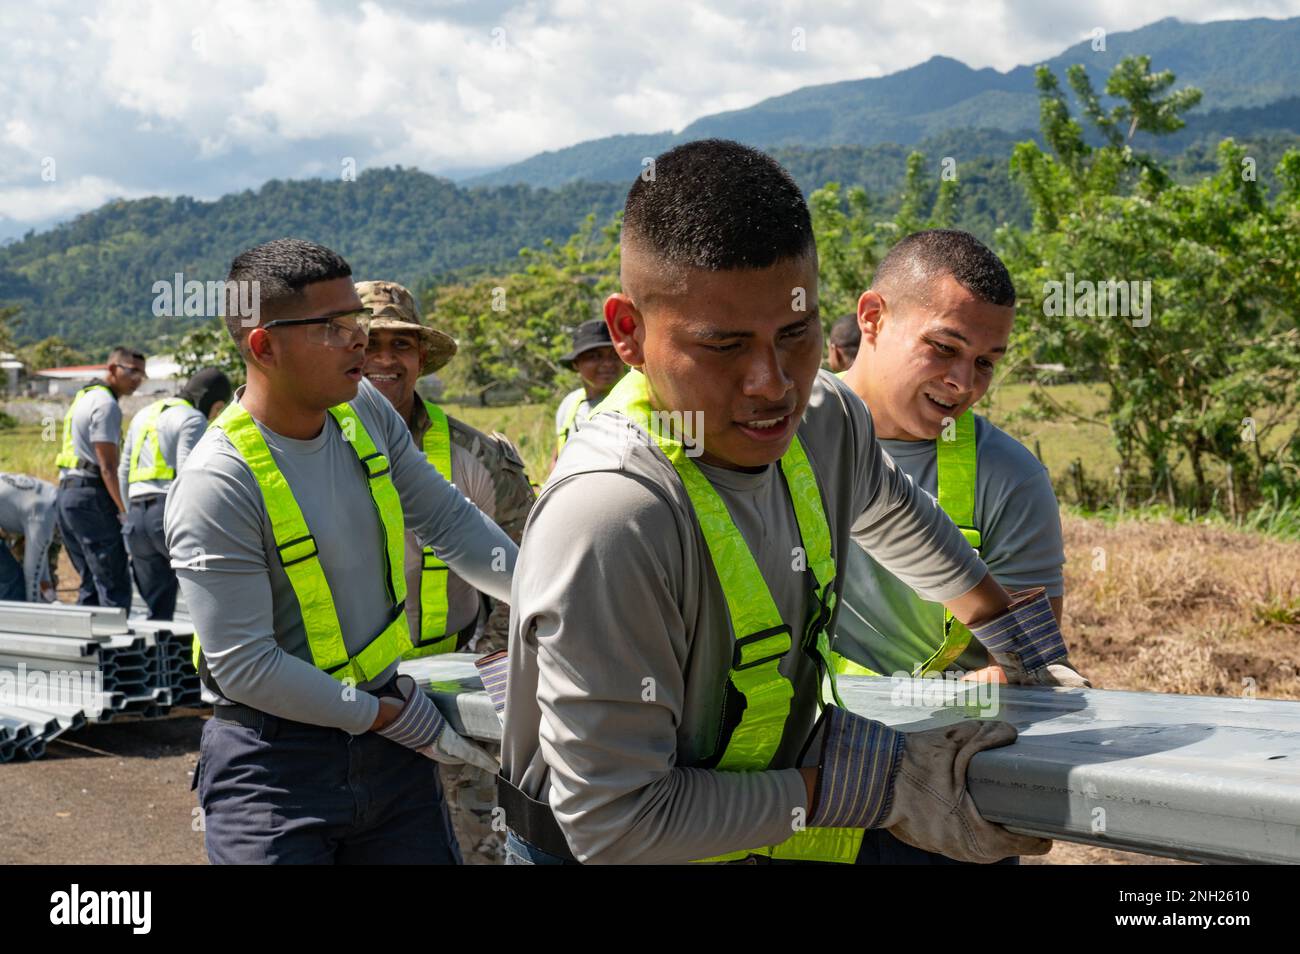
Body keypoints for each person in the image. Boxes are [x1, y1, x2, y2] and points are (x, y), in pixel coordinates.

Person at [499, 139, 1087, 866]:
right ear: (628, 333)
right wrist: (879, 786)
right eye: (724, 345)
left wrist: (1013, 637)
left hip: (748, 824)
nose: (771, 383)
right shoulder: (612, 517)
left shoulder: (825, 418)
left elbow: (897, 516)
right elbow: (616, 823)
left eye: (795, 334)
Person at [165, 239, 516, 864]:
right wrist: (376, 716)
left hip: (390, 746)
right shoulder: (218, 484)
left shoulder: (363, 411)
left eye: (356, 318)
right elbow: (247, 666)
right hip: (275, 768)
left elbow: (449, 522)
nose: (359, 339)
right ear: (264, 346)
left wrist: (554, 601)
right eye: (334, 326)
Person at [832, 228, 1087, 864]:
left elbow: (1023, 674)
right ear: (872, 317)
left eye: (985, 363)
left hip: (936, 809)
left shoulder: (1009, 479)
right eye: (944, 348)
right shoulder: (769, 440)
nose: (962, 381)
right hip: (780, 786)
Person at [358, 278, 536, 863]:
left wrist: (483, 663)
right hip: (353, 693)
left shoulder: (477, 455)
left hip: (461, 681)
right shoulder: (314, 451)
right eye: (370, 343)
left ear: (420, 360)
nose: (385, 359)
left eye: (401, 346)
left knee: (475, 846)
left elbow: (529, 568)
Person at [118, 368, 232, 619]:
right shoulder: (192, 419)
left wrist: (130, 514)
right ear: (216, 403)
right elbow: (188, 477)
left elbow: (123, 470)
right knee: (205, 596)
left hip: (136, 519)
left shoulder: (142, 415)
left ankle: (161, 657)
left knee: (158, 610)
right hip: (167, 514)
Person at [55, 347, 147, 609]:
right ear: (112, 369)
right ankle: (118, 648)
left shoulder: (84, 397)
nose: (137, 379)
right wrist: (123, 509)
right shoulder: (106, 405)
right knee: (113, 581)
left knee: (91, 580)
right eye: (132, 371)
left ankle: (91, 647)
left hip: (68, 494)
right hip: (90, 495)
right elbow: (108, 465)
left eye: (142, 373)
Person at [552, 318, 622, 464]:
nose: (608, 364)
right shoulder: (570, 403)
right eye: (595, 356)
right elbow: (557, 456)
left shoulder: (633, 402)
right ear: (576, 363)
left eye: (615, 355)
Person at [0, 473, 59, 602]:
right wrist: (35, 614)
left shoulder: (51, 492)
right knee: (12, 581)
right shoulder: (45, 518)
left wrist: (49, 593)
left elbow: (40, 563)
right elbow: (32, 576)